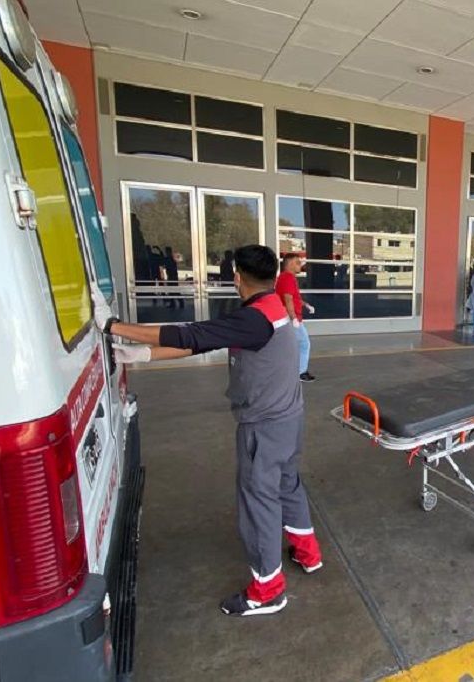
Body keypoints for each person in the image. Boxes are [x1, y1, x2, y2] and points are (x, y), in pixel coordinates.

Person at [102, 245, 322, 617]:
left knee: (259, 504)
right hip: (289, 419)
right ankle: (309, 554)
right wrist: (142, 354)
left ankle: (268, 591)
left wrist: (114, 328)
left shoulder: (253, 319)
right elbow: (202, 341)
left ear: (237, 277)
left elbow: (191, 334)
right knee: (288, 486)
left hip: (263, 427)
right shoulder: (271, 309)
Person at [277, 254, 317, 383]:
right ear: (289, 264)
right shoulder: (288, 278)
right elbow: (288, 299)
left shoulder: (285, 277)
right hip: (291, 318)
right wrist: (293, 318)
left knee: (291, 345)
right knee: (304, 344)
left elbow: (294, 298)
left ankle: (288, 371)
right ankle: (301, 372)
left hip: (287, 317)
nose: (300, 265)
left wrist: (306, 305)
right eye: (297, 263)